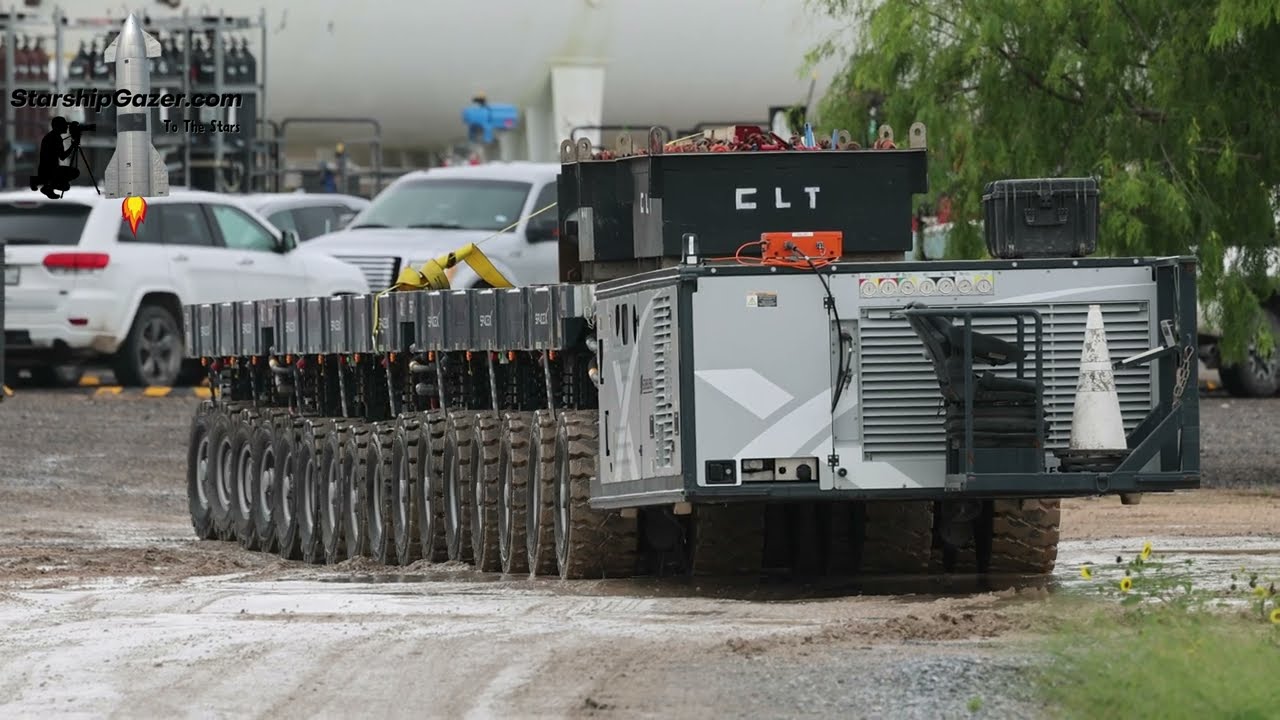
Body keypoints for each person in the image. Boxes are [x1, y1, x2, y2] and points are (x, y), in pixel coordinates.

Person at [30, 117, 81, 199]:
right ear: (59, 126)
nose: (67, 127)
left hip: (46, 169)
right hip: (50, 170)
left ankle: (37, 180)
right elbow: (63, 157)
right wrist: (72, 146)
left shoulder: (51, 136)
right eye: (65, 125)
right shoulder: (55, 138)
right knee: (75, 173)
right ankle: (46, 187)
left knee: (65, 186)